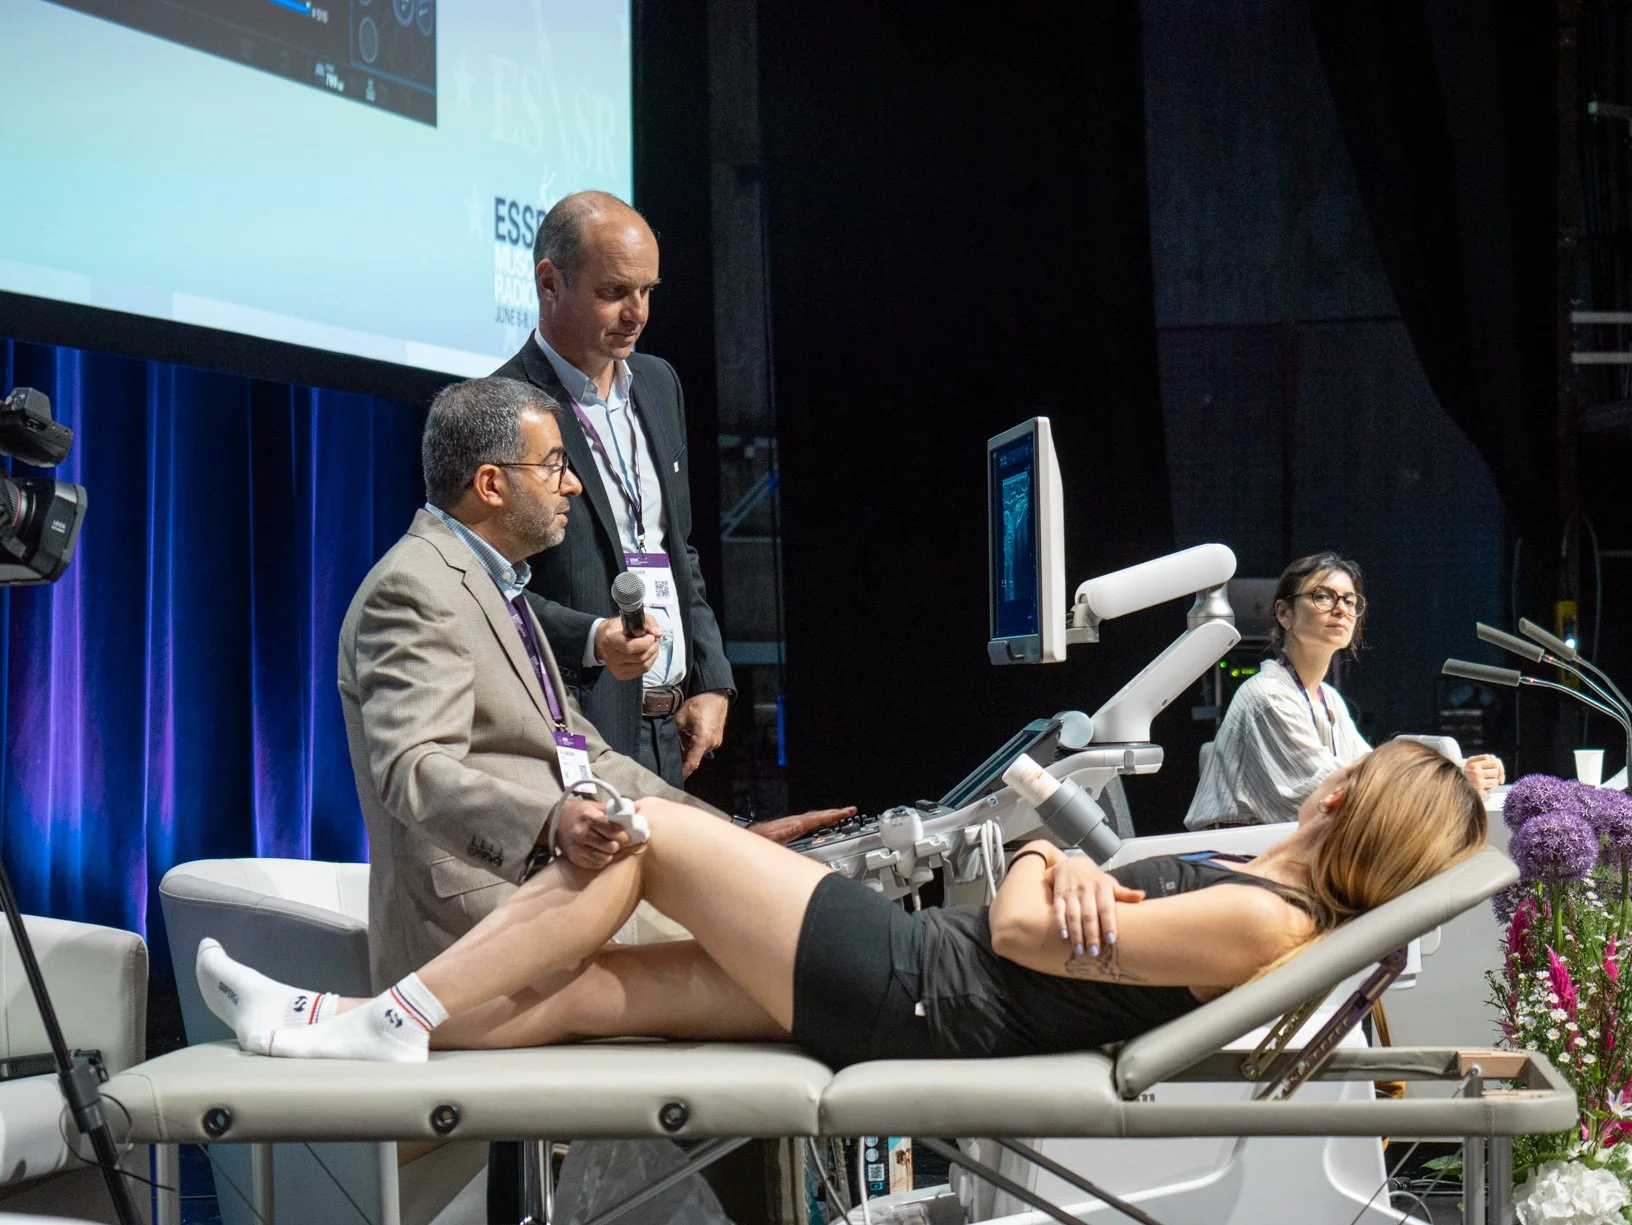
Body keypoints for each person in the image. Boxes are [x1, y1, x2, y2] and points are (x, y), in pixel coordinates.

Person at [197, 738, 1485, 1070]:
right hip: (918, 979)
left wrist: (1048, 859)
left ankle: (389, 1016)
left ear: (1351, 799)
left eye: (1359, 764)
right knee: (593, 990)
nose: (1340, 761)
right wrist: (1063, 864)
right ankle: (341, 1022)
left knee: (652, 836)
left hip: (920, 986)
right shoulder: (1267, 893)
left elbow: (1024, 925)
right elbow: (1060, 918)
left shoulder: (1270, 925)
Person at [493, 190, 733, 786]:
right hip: (578, 730)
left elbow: (676, 547)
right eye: (615, 292)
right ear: (550, 283)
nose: (637, 313)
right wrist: (593, 639)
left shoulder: (658, 382)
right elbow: (485, 588)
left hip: (671, 729)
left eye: (648, 290)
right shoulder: (501, 407)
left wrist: (711, 679)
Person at [1185, 552, 1504, 830]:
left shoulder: (1329, 699)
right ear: (1284, 614)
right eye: (1323, 597)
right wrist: (1450, 784)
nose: (1341, 609)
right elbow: (1335, 793)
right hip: (1235, 856)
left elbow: (1369, 768)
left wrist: (1457, 770)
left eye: (1350, 601)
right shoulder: (1268, 697)